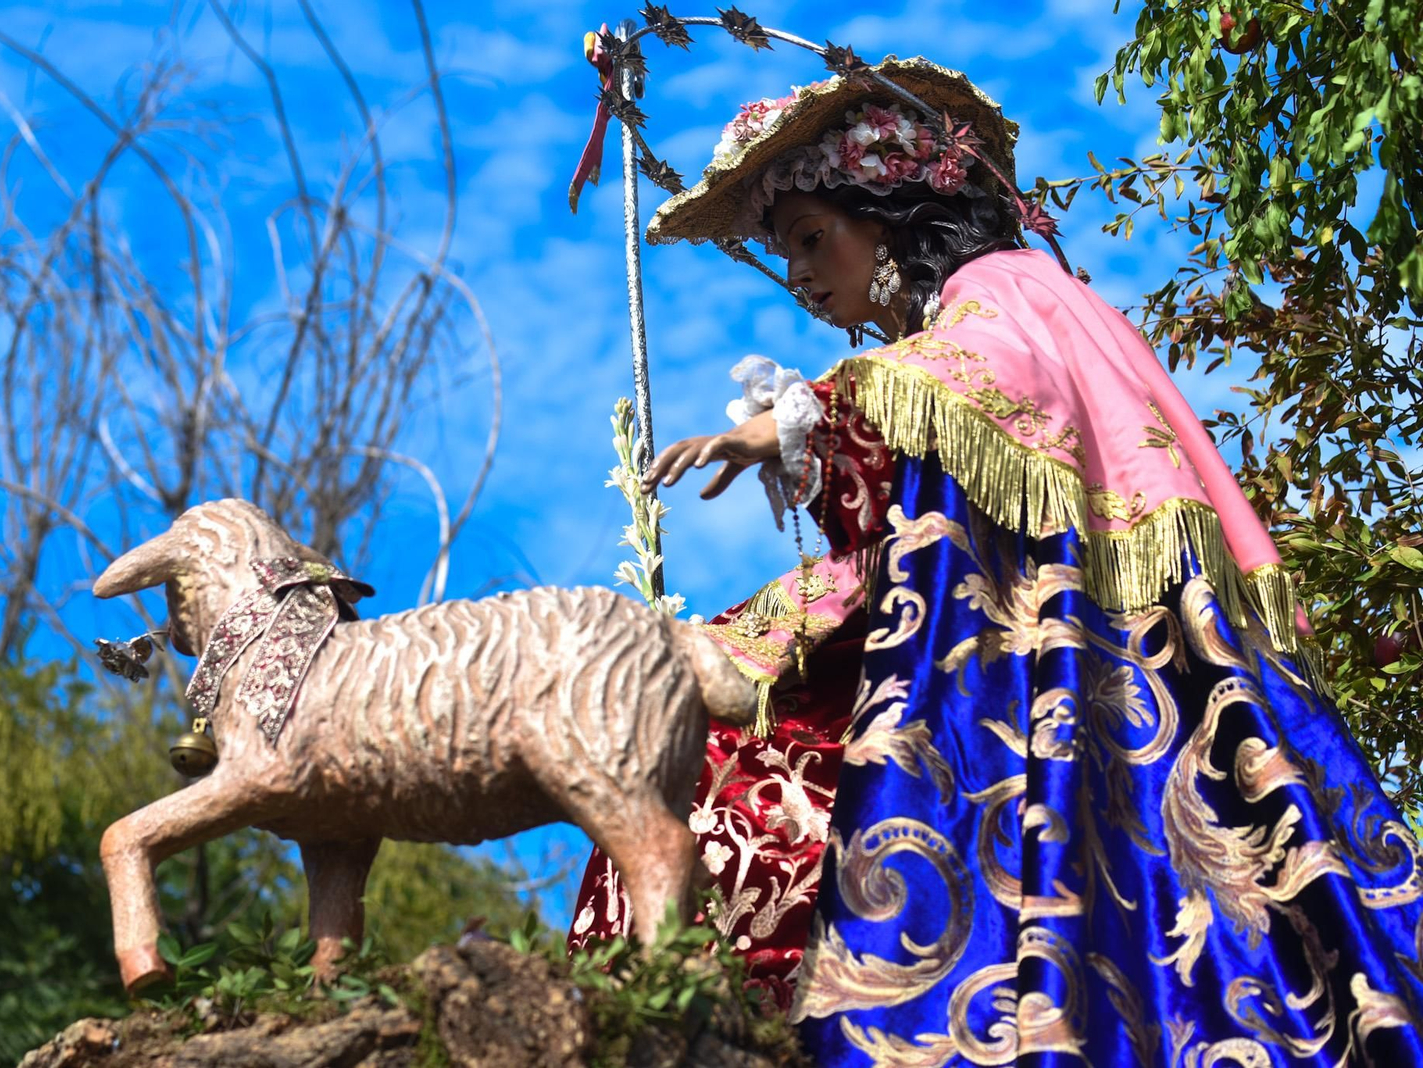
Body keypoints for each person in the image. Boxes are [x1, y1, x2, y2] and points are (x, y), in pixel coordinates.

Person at [568, 54, 1423, 1066]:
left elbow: (997, 383)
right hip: (1012, 632)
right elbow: (921, 531)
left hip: (1099, 646)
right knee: (709, 732)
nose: (797, 275)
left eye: (809, 237)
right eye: (783, 252)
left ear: (887, 215)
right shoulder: (949, 333)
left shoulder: (1003, 289)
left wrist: (803, 419)